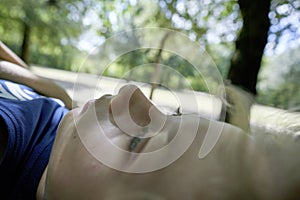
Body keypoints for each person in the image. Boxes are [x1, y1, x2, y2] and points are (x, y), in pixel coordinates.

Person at [1, 42, 300, 200]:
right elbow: (41, 84)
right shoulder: (63, 127)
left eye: (138, 142)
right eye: (172, 116)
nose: (133, 93)